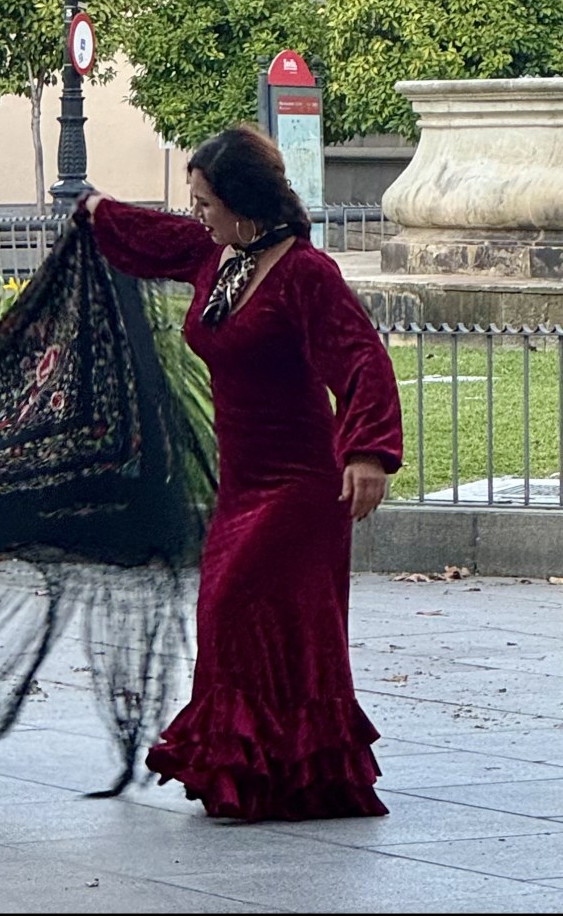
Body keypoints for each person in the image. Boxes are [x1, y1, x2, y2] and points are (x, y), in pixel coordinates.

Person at [79, 122, 404, 822]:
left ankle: (294, 773)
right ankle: (266, 780)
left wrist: (368, 450)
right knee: (236, 620)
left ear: (243, 203)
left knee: (240, 607)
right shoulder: (215, 256)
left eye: (205, 202)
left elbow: (361, 359)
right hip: (242, 484)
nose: (196, 214)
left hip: (301, 485)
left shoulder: (304, 274)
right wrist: (100, 212)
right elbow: (156, 238)